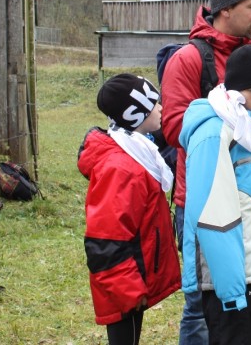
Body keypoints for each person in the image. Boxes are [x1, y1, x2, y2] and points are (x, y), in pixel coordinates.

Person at [161, 0, 251, 345]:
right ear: (225, 9)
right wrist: (236, 117)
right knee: (203, 306)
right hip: (205, 201)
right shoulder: (189, 59)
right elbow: (173, 128)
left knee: (250, 297)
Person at [180, 45, 251, 345]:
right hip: (230, 281)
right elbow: (212, 217)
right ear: (233, 87)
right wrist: (231, 291)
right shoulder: (215, 133)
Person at [78, 73, 181, 345]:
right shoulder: (122, 168)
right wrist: (129, 291)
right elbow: (106, 238)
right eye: (154, 103)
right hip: (123, 287)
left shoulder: (139, 153)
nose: (161, 108)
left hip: (133, 277)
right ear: (135, 114)